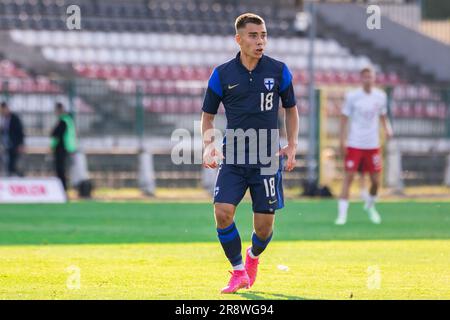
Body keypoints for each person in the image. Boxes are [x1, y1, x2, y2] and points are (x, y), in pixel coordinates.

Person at [201, 13, 299, 293]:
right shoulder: (222, 74)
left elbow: (291, 110)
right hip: (233, 157)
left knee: (264, 228)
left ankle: (252, 257)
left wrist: (291, 145)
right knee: (222, 213)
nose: (260, 41)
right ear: (239, 39)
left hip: (267, 160)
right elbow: (207, 116)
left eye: (264, 35)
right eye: (254, 36)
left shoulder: (279, 71)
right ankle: (237, 270)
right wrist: (209, 145)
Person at [335, 67, 393, 225]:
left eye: (371, 77)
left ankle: (370, 206)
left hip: (373, 144)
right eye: (365, 77)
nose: (368, 79)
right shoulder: (353, 96)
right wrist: (342, 140)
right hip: (355, 143)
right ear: (361, 79)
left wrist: (387, 129)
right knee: (349, 177)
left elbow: (382, 115)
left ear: (374, 78)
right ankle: (342, 215)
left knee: (375, 181)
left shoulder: (381, 96)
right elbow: (343, 118)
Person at [50, 103, 77, 190]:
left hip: (63, 148)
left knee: (60, 169)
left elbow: (56, 134)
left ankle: (62, 188)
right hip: (68, 148)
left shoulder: (63, 121)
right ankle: (63, 187)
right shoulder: (68, 120)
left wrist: (52, 146)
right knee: (62, 169)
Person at [0, 102, 25, 176]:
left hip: (14, 144)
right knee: (6, 162)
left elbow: (20, 132)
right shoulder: (3, 119)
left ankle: (15, 176)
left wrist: (21, 144)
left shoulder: (14, 118)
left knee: (13, 162)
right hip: (5, 144)